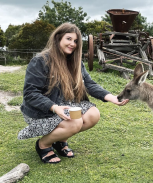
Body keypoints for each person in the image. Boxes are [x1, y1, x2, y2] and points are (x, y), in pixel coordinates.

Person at [17, 23, 129, 164]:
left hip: (63, 105)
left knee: (93, 115)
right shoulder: (40, 61)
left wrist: (111, 97)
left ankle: (59, 140)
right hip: (42, 111)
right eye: (68, 39)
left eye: (75, 41)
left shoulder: (75, 61)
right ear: (58, 38)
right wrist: (54, 107)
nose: (72, 44)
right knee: (75, 122)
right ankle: (43, 144)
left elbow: (88, 83)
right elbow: (30, 93)